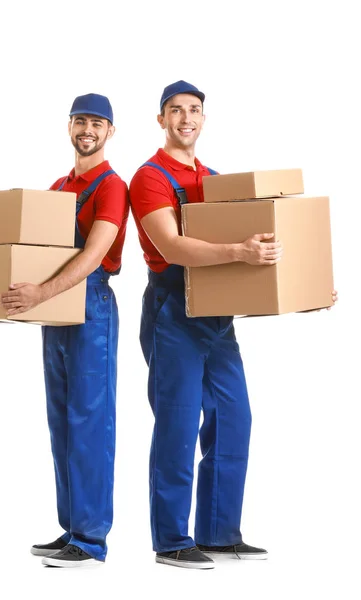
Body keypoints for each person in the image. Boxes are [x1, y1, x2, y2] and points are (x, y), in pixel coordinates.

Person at [128, 80, 338, 570]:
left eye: (194, 110)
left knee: (233, 418)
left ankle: (220, 533)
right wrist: (240, 252)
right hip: (172, 312)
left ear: (204, 119)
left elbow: (250, 266)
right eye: (175, 111)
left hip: (217, 317)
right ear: (161, 119)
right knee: (178, 425)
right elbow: (171, 247)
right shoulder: (150, 177)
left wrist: (307, 289)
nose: (186, 118)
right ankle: (172, 539)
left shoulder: (217, 179)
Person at [0, 93, 129, 568]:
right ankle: (71, 526)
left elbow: (93, 254)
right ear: (68, 126)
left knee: (90, 421)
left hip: (89, 305)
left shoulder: (113, 187)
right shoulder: (57, 186)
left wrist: (41, 293)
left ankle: (92, 539)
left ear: (110, 131)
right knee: (62, 420)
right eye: (79, 121)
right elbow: (28, 253)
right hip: (55, 308)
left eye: (96, 122)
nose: (87, 129)